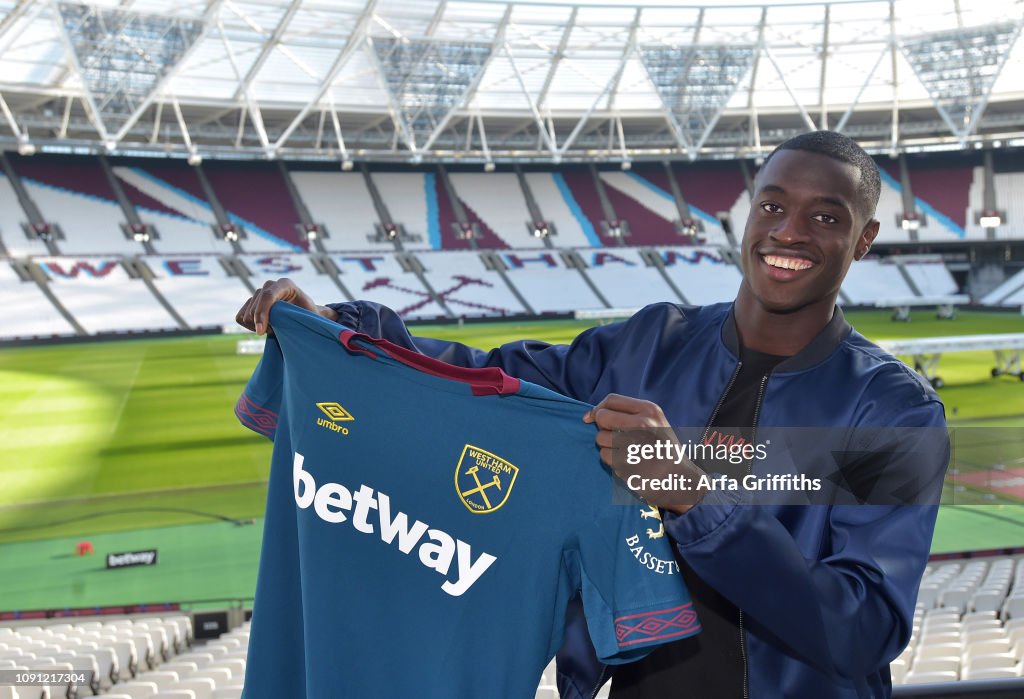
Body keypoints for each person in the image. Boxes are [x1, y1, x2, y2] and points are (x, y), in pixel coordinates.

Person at [236, 131, 949, 698]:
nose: (789, 231)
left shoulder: (895, 410)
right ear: (747, 212)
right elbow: (485, 378)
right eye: (773, 204)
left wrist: (694, 497)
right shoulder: (649, 344)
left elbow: (862, 628)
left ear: (863, 239)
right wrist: (343, 329)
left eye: (826, 216)